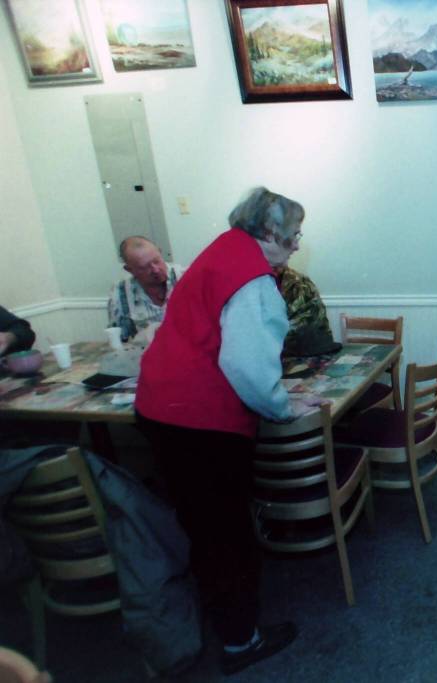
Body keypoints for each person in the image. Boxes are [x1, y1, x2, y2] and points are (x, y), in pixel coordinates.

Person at [134, 187, 322, 676]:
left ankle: (215, 617)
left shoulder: (223, 249)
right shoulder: (253, 279)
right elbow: (247, 368)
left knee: (201, 525)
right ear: (269, 232)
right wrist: (283, 407)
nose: (296, 245)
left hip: (159, 407)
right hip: (198, 421)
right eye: (293, 236)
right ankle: (241, 641)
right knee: (227, 534)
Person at [107, 236, 184, 342]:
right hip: (147, 349)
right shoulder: (120, 292)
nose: (155, 270)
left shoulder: (185, 277)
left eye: (157, 261)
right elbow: (120, 339)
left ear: (160, 252)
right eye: (144, 267)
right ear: (129, 269)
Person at [275, 265, 333, 354]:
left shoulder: (299, 283)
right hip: (274, 352)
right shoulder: (257, 282)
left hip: (306, 351)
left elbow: (306, 326)